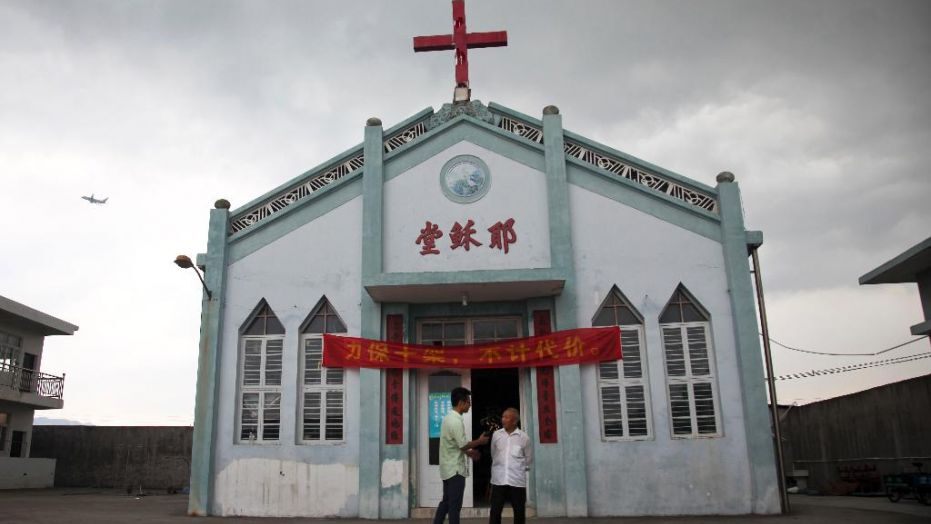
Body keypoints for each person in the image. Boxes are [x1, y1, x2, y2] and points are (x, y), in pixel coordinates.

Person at [433, 386, 489, 524]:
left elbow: (455, 445)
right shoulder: (455, 421)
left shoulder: (448, 418)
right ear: (461, 403)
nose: (470, 405)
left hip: (448, 469)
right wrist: (480, 441)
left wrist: (469, 453)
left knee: (446, 502)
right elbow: (462, 444)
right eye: (468, 401)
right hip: (455, 471)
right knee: (454, 506)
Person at [488, 407, 532, 524]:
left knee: (519, 512)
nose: (503, 419)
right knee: (495, 511)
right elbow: (494, 454)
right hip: (499, 480)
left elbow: (528, 459)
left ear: (514, 421)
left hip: (517, 481)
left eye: (506, 417)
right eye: (503, 416)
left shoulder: (524, 438)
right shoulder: (497, 435)